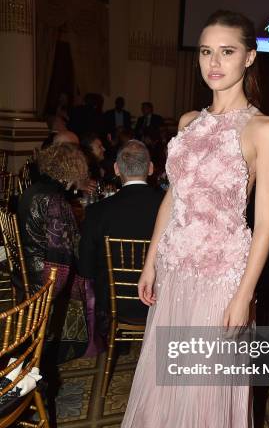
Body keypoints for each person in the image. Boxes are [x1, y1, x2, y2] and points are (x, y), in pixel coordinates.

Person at [108, 9, 269, 428]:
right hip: (178, 270)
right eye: (206, 51)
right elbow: (172, 199)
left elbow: (267, 222)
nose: (214, 62)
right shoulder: (188, 123)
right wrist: (150, 261)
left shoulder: (264, 130)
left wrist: (243, 295)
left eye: (227, 51)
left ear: (249, 57)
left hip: (221, 277)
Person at [78, 141, 164, 334]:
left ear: (117, 169)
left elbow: (85, 268)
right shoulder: (170, 209)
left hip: (114, 303)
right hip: (161, 298)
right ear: (150, 169)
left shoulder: (96, 212)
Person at [18, 143, 90, 363]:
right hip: (42, 280)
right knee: (89, 271)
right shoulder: (55, 200)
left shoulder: (33, 190)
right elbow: (60, 259)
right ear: (75, 169)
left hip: (26, 271)